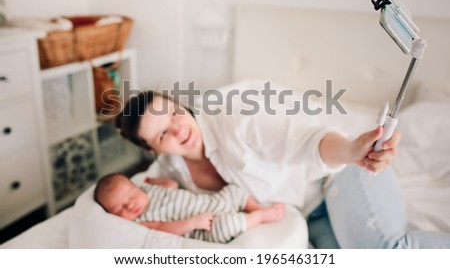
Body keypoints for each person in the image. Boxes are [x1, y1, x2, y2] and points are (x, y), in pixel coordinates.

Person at [116, 90, 450, 248]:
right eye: (162, 134)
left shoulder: (236, 121)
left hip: (339, 174)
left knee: (388, 252)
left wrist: (350, 150)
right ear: (152, 149)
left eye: (174, 114)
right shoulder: (169, 172)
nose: (178, 130)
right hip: (306, 215)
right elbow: (131, 204)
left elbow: (305, 140)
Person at [94, 173, 285, 243]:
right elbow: (163, 228)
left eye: (131, 196)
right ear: (111, 215)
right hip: (204, 227)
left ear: (137, 188)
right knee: (227, 225)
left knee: (233, 191)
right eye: (120, 209)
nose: (130, 206)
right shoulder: (139, 222)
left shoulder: (148, 189)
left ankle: (254, 206)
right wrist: (193, 222)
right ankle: (257, 217)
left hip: (210, 203)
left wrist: (155, 181)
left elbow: (172, 185)